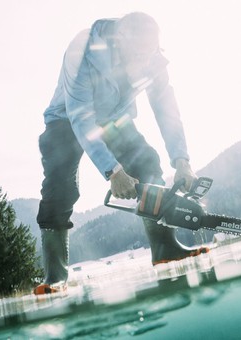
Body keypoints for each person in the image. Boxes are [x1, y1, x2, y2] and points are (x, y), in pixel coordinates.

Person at [35, 12, 208, 295]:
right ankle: (55, 276)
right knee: (61, 189)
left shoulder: (152, 58)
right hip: (66, 119)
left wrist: (182, 160)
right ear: (119, 42)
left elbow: (167, 110)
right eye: (135, 56)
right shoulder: (82, 50)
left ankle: (165, 247)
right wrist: (112, 171)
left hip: (115, 119)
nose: (142, 64)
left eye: (147, 55)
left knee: (147, 164)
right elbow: (80, 117)